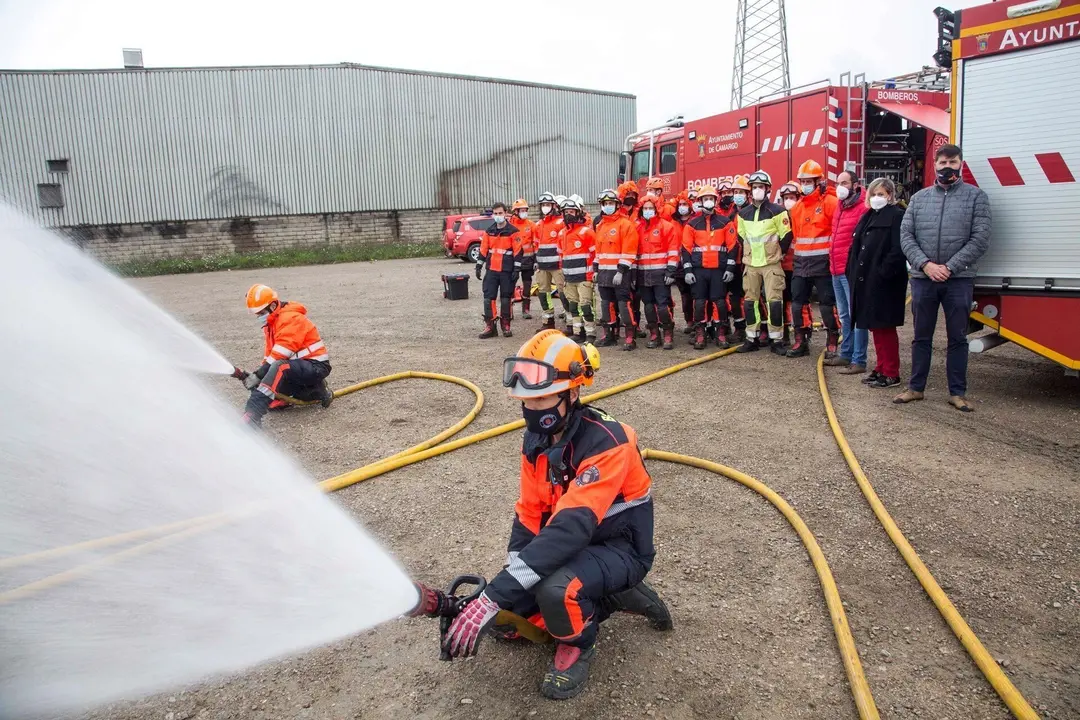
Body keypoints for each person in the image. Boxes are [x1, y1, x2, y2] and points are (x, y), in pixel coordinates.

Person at [432, 330, 672, 699]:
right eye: (526, 401)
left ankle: (580, 641)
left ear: (572, 393)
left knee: (555, 589)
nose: (532, 409)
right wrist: (510, 588)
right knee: (520, 604)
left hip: (621, 549)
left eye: (542, 398)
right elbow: (529, 512)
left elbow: (570, 528)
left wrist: (494, 595)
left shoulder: (609, 443)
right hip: (576, 545)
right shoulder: (538, 442)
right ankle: (603, 595)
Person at [895, 144, 992, 411]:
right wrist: (926, 265)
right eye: (942, 162)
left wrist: (949, 267)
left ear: (961, 164)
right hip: (923, 279)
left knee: (957, 338)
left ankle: (957, 393)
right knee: (921, 337)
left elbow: (980, 239)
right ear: (934, 165)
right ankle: (915, 388)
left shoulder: (976, 198)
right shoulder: (919, 199)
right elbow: (906, 236)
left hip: (958, 280)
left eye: (953, 161)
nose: (947, 166)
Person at [241, 284, 332, 427]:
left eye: (260, 313)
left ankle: (253, 414)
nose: (259, 317)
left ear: (272, 306)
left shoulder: (290, 318)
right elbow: (269, 356)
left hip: (315, 367)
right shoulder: (272, 323)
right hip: (297, 369)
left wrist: (259, 375)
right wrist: (259, 377)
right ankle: (316, 390)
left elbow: (279, 355)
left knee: (279, 367)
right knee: (270, 380)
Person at [847, 179, 909, 388]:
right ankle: (881, 367)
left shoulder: (897, 216)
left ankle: (891, 371)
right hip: (867, 281)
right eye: (874, 194)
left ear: (890, 195)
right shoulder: (868, 216)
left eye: (881, 194)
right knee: (875, 327)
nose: (877, 198)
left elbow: (897, 250)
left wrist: (883, 273)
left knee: (885, 327)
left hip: (884, 283)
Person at [786, 159, 840, 359]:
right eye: (803, 181)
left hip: (824, 264)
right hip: (801, 263)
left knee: (827, 304)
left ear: (819, 181)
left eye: (809, 180)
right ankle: (801, 339)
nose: (806, 184)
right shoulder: (797, 208)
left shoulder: (831, 203)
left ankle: (832, 341)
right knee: (798, 303)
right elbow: (796, 236)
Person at [735, 170, 791, 354]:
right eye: (754, 187)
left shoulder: (778, 211)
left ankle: (776, 340)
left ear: (768, 189)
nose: (757, 190)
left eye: (761, 186)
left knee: (774, 302)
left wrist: (778, 254)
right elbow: (742, 236)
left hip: (771, 264)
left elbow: (786, 235)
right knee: (750, 302)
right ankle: (752, 338)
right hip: (751, 264)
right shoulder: (743, 214)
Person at [681, 184, 738, 350]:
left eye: (710, 199)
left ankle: (720, 333)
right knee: (699, 303)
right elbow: (685, 249)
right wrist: (688, 270)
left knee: (719, 302)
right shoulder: (692, 224)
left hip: (718, 271)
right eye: (705, 199)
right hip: (699, 271)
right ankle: (700, 333)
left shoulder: (725, 222)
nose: (708, 201)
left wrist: (729, 269)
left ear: (715, 200)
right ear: (700, 201)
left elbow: (733, 247)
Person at [826, 171, 871, 373]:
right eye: (838, 183)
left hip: (851, 270)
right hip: (836, 268)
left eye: (844, 182)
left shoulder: (863, 208)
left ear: (855, 184)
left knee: (856, 315)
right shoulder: (839, 207)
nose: (840, 187)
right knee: (844, 315)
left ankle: (859, 360)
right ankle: (846, 354)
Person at [594, 188, 639, 349]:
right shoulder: (600, 226)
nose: (608, 206)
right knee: (606, 305)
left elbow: (629, 250)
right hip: (604, 274)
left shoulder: (625, 225)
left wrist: (621, 271)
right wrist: (595, 270)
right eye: (605, 203)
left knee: (623, 305)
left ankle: (629, 337)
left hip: (620, 274)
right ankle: (609, 335)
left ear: (617, 205)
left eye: (611, 203)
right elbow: (598, 251)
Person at [635, 195, 680, 350]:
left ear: (656, 209)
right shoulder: (637, 228)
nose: (648, 211)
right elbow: (634, 253)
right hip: (643, 275)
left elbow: (673, 250)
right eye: (645, 208)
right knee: (648, 306)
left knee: (662, 306)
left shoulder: (666, 227)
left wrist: (670, 271)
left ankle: (668, 332)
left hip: (661, 275)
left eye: (650, 208)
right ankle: (654, 334)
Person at [477, 203, 523, 339]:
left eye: (500, 213)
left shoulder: (513, 231)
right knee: (488, 298)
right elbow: (483, 249)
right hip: (491, 270)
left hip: (506, 271)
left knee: (505, 298)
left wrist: (517, 269)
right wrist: (479, 266)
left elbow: (518, 251)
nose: (498, 216)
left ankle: (506, 325)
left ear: (505, 213)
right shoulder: (489, 231)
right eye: (495, 214)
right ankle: (490, 326)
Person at [558, 197, 598, 342]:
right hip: (569, 279)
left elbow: (595, 255)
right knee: (573, 306)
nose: (569, 214)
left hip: (584, 277)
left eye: (572, 211)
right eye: (566, 211)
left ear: (578, 213)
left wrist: (593, 273)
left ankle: (590, 334)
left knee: (585, 306)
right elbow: (561, 256)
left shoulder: (586, 232)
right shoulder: (561, 234)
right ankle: (577, 332)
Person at [533, 192, 565, 331]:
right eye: (543, 205)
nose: (545, 207)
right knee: (543, 293)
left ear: (554, 206)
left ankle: (571, 324)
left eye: (548, 204)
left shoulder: (561, 222)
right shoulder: (538, 225)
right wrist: (536, 262)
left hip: (558, 266)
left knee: (564, 293)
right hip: (542, 267)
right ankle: (548, 321)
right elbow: (536, 245)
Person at [776, 181, 800, 347]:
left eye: (792, 197)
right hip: (782, 267)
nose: (789, 201)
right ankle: (784, 335)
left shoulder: (802, 217)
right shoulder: (779, 218)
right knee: (781, 302)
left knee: (800, 304)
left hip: (799, 267)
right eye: (786, 198)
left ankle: (801, 337)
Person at [671, 191, 696, 334]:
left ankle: (698, 323)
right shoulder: (673, 223)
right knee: (685, 297)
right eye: (680, 204)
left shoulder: (694, 221)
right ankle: (689, 321)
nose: (682, 207)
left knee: (696, 295)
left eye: (685, 204)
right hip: (679, 265)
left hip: (694, 263)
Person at [509, 198, 537, 320]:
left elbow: (535, 242)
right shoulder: (509, 225)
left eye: (526, 210)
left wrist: (536, 259)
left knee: (527, 284)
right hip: (512, 260)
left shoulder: (531, 225)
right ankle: (509, 311)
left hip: (528, 260)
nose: (524, 212)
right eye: (522, 210)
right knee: (510, 284)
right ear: (515, 211)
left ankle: (526, 309)